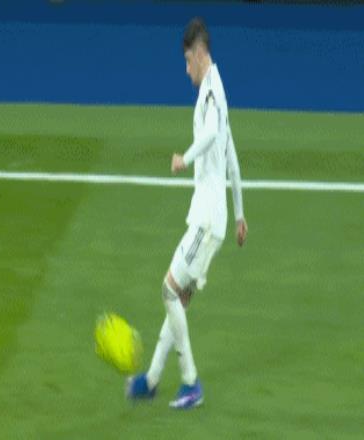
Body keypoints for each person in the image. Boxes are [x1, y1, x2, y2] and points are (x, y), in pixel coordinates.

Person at [126, 17, 248, 409]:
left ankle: (191, 382)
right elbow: (232, 160)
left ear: (198, 53)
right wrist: (240, 214)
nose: (186, 70)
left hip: (206, 220)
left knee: (168, 290)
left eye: (186, 61)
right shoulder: (220, 92)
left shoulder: (211, 93)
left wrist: (185, 158)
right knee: (178, 299)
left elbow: (211, 136)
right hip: (217, 220)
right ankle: (151, 381)